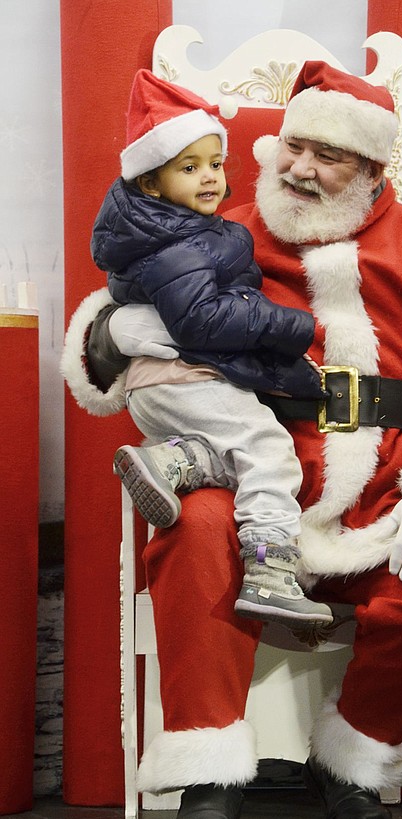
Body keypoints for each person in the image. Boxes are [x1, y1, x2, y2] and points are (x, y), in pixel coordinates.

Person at [61, 60, 402, 819]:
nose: (299, 167)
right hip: (248, 477)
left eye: (327, 154)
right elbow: (124, 306)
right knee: (191, 523)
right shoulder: (222, 231)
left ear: (374, 167)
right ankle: (210, 774)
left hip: (385, 497)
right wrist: (107, 338)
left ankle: (353, 758)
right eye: (292, 146)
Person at [90, 69, 333, 631]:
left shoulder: (165, 229)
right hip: (189, 376)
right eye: (189, 167)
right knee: (270, 452)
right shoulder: (184, 240)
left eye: (216, 164)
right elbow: (200, 319)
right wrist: (286, 325)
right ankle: (271, 572)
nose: (210, 179)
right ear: (151, 183)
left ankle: (173, 460)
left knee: (239, 453)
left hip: (166, 386)